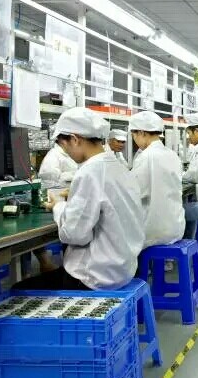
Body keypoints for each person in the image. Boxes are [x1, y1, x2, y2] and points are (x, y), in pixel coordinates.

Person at [14, 107, 144, 291]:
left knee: (19, 289)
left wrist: (58, 206)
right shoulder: (119, 167)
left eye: (65, 146)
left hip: (92, 278)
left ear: (75, 139)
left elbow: (74, 235)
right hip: (124, 269)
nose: (67, 152)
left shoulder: (89, 172)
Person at [128, 111, 185, 248]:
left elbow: (134, 192)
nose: (134, 140)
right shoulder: (172, 155)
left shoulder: (145, 157)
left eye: (133, 135)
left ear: (142, 133)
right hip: (176, 227)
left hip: (154, 232)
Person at [36, 136, 79, 272]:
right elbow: (49, 182)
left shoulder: (71, 155)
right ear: (63, 141)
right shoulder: (53, 157)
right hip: (57, 202)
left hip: (68, 205)